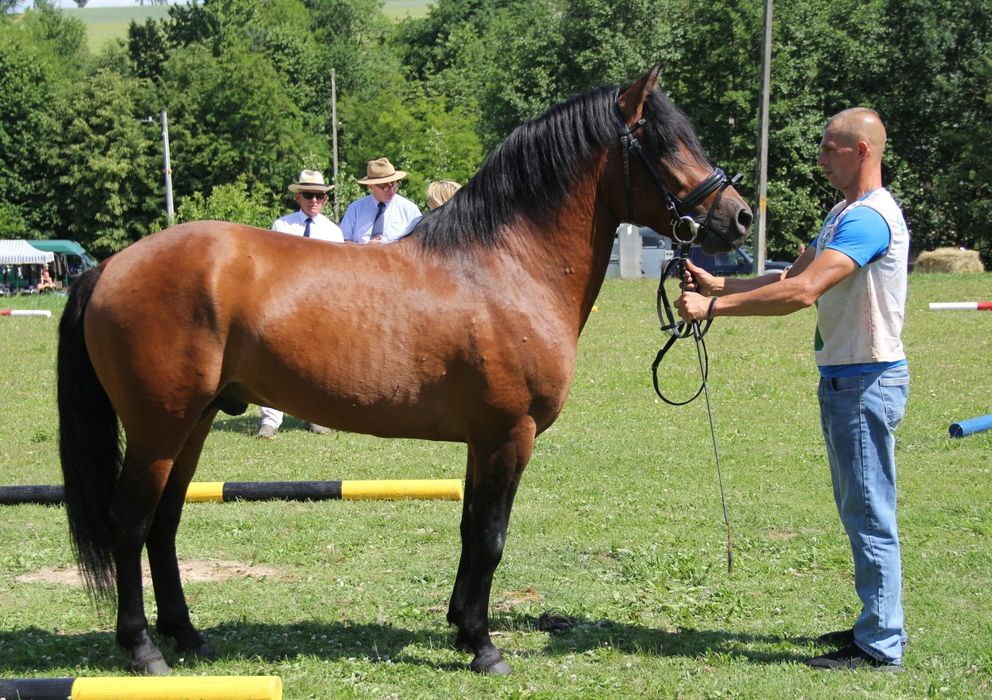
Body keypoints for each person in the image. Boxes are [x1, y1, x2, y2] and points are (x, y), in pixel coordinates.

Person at [675, 108, 910, 673]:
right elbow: (787, 275)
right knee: (859, 508)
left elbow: (804, 293)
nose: (821, 157)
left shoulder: (870, 220)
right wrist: (720, 281)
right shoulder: (841, 213)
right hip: (845, 379)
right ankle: (873, 624)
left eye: (831, 148)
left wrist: (713, 307)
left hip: (865, 380)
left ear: (862, 152)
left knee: (869, 511)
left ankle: (880, 644)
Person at [257, 169, 341, 439]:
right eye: (308, 195)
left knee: (319, 363)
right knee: (273, 361)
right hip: (285, 304)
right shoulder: (281, 227)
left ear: (325, 199)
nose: (314, 200)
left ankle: (316, 415)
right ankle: (270, 419)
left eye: (319, 195)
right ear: (298, 196)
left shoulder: (333, 232)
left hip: (320, 306)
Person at [340, 158, 421, 244]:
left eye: (393, 183)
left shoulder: (409, 209)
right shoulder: (355, 209)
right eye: (384, 185)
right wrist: (365, 249)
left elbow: (420, 243)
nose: (390, 189)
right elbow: (343, 242)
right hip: (362, 256)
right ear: (371, 186)